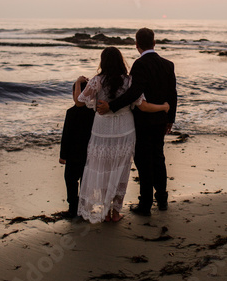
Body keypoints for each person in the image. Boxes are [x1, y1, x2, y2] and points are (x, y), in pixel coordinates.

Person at [74, 46, 169, 223]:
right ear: (121, 61)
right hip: (125, 129)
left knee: (102, 166)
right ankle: (115, 212)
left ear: (103, 62)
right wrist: (164, 107)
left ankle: (103, 210)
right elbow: (143, 106)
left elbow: (79, 103)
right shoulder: (129, 81)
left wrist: (79, 83)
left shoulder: (96, 81)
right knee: (120, 169)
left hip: (102, 129)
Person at [97, 28, 177, 216]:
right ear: (154, 43)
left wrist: (111, 106)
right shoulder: (168, 64)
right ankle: (163, 200)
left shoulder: (140, 65)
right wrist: (170, 118)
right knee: (158, 157)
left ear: (137, 44)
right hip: (160, 120)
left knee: (143, 161)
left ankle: (145, 205)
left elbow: (134, 93)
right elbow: (172, 94)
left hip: (143, 122)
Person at [59, 81, 95, 218]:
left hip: (73, 154)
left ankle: (73, 208)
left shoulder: (71, 112)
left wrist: (63, 155)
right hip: (88, 154)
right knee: (85, 182)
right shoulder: (93, 113)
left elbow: (66, 135)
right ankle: (84, 208)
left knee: (70, 180)